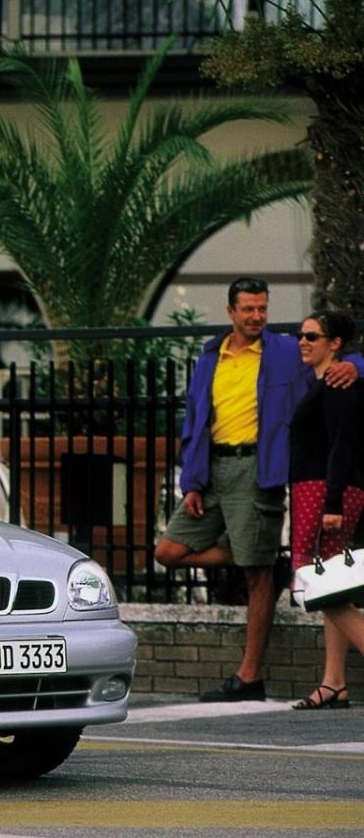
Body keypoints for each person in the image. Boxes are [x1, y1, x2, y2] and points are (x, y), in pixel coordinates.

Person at [154, 278, 359, 702]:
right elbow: (195, 419)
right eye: (248, 309)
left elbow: (331, 352)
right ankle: (265, 556)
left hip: (257, 469)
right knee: (169, 551)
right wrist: (192, 481)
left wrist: (356, 364)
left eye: (262, 308)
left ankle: (249, 677)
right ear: (231, 311)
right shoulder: (211, 355)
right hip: (211, 471)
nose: (256, 316)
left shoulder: (285, 351)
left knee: (257, 575)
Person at [288, 311, 364, 710]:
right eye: (301, 335)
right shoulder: (325, 383)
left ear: (335, 344)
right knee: (332, 583)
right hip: (319, 491)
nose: (303, 341)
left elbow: (341, 445)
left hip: (324, 492)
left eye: (312, 336)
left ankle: (335, 681)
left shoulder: (337, 385)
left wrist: (332, 502)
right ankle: (334, 682)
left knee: (315, 582)